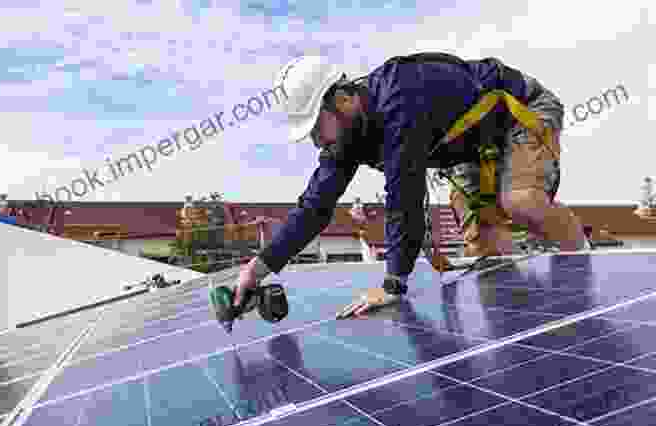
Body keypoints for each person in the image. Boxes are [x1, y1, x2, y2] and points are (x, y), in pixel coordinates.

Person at [233, 52, 587, 320]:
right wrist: (259, 267)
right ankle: (525, 327)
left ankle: (586, 277)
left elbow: (405, 197)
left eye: (314, 128)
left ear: (340, 101)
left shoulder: (400, 100)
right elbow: (315, 206)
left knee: (520, 202)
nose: (315, 141)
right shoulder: (345, 136)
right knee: (486, 244)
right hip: (471, 145)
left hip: (520, 110)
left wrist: (393, 285)